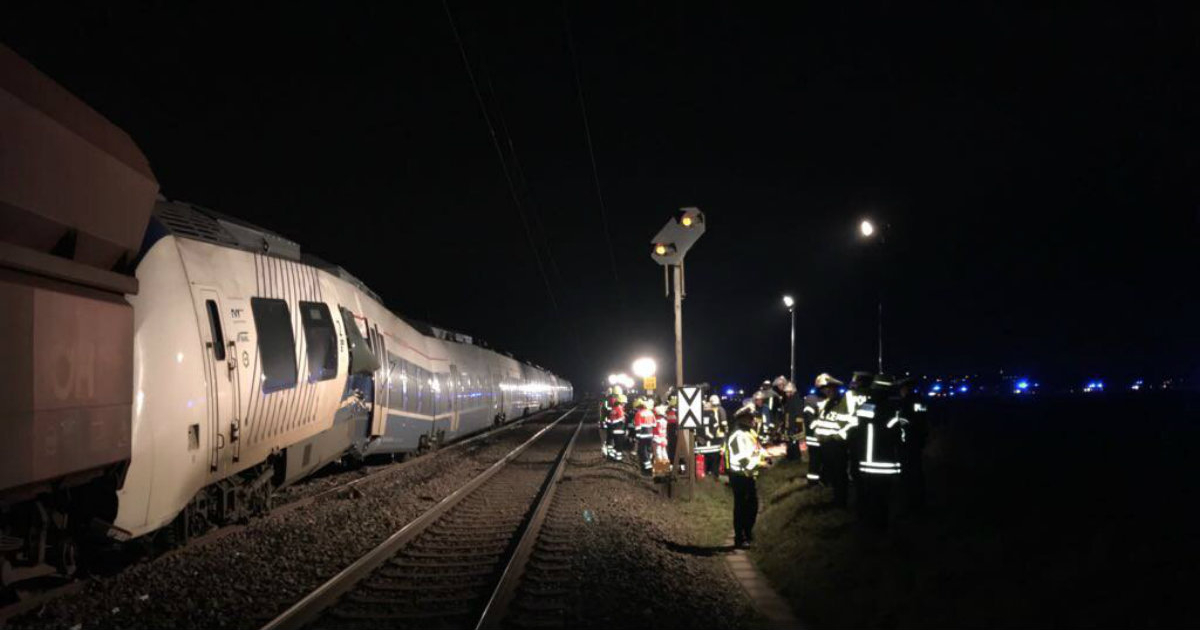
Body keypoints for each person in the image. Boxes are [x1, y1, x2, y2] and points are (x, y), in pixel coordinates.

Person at [852, 374, 906, 527]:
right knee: (884, 498)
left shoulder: (866, 407)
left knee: (869, 495)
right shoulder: (893, 409)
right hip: (886, 462)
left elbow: (858, 431)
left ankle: (868, 525)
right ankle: (880, 528)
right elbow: (898, 436)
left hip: (865, 461)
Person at [811, 373, 855, 506]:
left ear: (834, 388)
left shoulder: (843, 402)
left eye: (827, 388)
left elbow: (852, 422)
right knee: (832, 474)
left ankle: (841, 501)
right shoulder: (826, 403)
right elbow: (823, 421)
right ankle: (836, 499)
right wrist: (817, 432)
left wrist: (839, 436)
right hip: (826, 445)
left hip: (836, 445)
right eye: (823, 389)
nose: (825, 391)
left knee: (839, 474)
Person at [724, 404, 764, 548]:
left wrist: (766, 455)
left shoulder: (749, 433)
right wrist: (761, 463)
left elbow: (757, 451)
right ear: (744, 419)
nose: (754, 420)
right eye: (751, 417)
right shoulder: (738, 435)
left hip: (748, 476)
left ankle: (747, 533)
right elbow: (744, 460)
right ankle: (740, 538)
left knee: (752, 506)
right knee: (742, 507)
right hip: (740, 476)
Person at [896, 377, 928, 510]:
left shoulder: (905, 403)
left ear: (903, 389)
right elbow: (923, 421)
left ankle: (910, 503)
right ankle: (919, 499)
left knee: (908, 473)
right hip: (918, 440)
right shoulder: (920, 401)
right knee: (917, 471)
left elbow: (902, 421)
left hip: (907, 441)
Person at [698, 395, 723, 477]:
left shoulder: (699, 417)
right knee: (714, 459)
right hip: (712, 442)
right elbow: (716, 427)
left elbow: (696, 430)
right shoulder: (712, 416)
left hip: (702, 443)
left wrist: (699, 438)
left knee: (704, 459)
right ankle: (714, 474)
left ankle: (703, 472)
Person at [632, 397, 656, 475]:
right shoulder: (650, 413)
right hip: (650, 435)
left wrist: (637, 437)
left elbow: (638, 427)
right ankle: (650, 465)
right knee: (648, 450)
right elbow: (654, 424)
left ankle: (647, 468)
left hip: (642, 436)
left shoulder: (638, 414)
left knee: (643, 451)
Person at [603, 387, 627, 461]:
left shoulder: (609, 401)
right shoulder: (618, 407)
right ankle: (616, 457)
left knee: (611, 440)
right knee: (618, 445)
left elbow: (605, 411)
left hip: (611, 424)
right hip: (617, 428)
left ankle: (610, 454)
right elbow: (621, 418)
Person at [652, 403, 670, 476]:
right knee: (664, 454)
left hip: (657, 439)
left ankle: (659, 470)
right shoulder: (665, 421)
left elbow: (655, 430)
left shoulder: (657, 422)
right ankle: (666, 468)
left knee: (658, 454)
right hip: (663, 438)